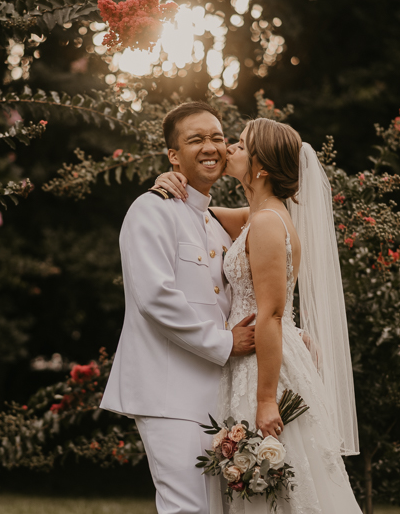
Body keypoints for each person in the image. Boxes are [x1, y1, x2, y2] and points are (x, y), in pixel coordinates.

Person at [155, 118, 361, 513]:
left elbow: (271, 313)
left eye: (240, 145)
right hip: (251, 358)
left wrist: (266, 401)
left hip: (265, 366)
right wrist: (173, 179)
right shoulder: (257, 216)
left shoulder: (266, 222)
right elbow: (203, 214)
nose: (228, 149)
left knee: (277, 487)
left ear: (261, 166)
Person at [100, 102, 258, 514]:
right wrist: (224, 342)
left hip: (213, 393)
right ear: (173, 155)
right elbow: (155, 297)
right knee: (186, 509)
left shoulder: (213, 222)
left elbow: (278, 210)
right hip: (167, 391)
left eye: (217, 138)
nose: (210, 146)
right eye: (196, 139)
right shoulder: (151, 209)